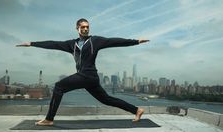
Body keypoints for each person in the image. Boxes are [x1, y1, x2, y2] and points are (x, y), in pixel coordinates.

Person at [16, 18, 150, 126]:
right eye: (83, 27)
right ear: (77, 28)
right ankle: (137, 110)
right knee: (106, 99)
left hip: (88, 75)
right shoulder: (72, 44)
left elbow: (114, 41)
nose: (86, 29)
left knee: (58, 86)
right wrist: (32, 43)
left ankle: (49, 119)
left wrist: (136, 41)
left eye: (87, 27)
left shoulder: (95, 41)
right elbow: (53, 44)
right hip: (88, 79)